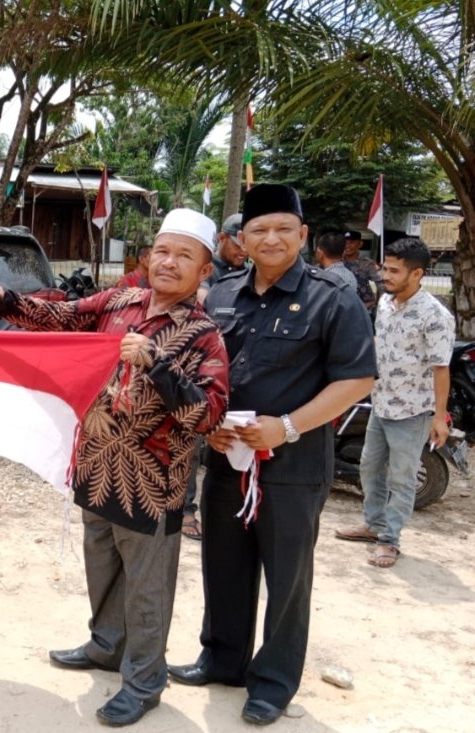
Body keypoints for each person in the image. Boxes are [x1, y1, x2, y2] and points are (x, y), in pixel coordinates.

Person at [0, 209, 229, 727]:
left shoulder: (204, 335)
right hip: (95, 467)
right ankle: (105, 645)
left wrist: (156, 365)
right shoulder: (120, 300)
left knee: (147, 588)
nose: (169, 262)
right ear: (147, 257)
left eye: (185, 256)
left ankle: (144, 682)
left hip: (153, 486)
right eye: (163, 251)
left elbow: (206, 416)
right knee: (101, 566)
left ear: (205, 271)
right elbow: (59, 317)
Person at [168, 184, 376, 726]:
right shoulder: (221, 295)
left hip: (293, 466)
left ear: (303, 235)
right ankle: (222, 659)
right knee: (223, 565)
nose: (272, 238)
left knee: (287, 577)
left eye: (284, 228)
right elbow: (201, 370)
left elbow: (356, 379)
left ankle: (273, 681)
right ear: (241, 239)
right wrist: (208, 425)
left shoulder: (334, 297)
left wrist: (285, 428)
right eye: (259, 229)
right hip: (226, 459)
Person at [336, 238, 453, 568]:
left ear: (417, 274)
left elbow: (441, 368)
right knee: (370, 468)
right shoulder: (386, 303)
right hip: (381, 403)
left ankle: (390, 540)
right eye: (385, 268)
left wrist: (439, 416)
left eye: (393, 270)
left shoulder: (435, 316)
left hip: (413, 411)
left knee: (402, 479)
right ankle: (373, 526)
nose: (384, 275)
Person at [185, 212, 249, 541]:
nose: (243, 251)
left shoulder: (250, 273)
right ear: (222, 238)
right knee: (193, 445)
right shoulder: (207, 270)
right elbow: (198, 299)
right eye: (238, 244)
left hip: (235, 376)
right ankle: (185, 510)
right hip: (199, 375)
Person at [342, 229, 381, 312]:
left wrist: (376, 302)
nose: (347, 246)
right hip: (343, 308)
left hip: (364, 307)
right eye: (345, 242)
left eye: (351, 242)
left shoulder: (367, 264)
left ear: (360, 244)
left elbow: (381, 284)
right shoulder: (337, 262)